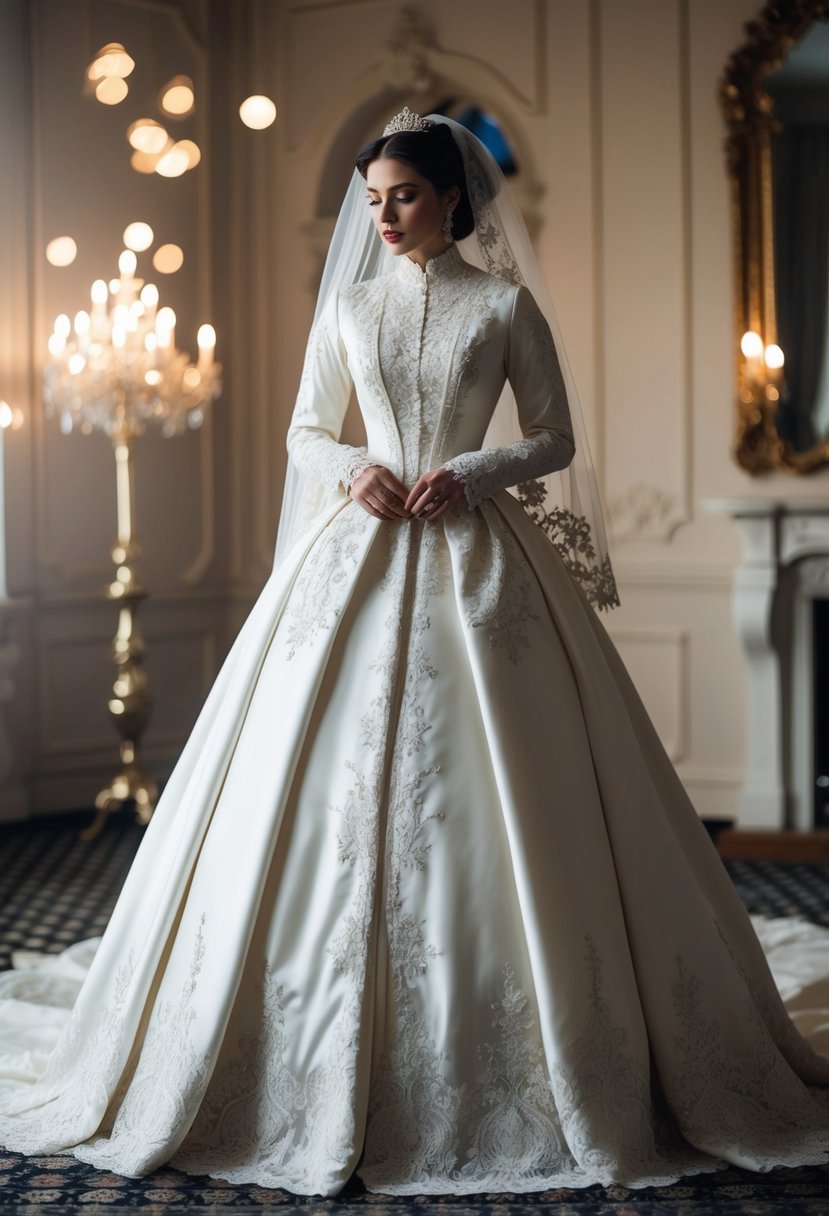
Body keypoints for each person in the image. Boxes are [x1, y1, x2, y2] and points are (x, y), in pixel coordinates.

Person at [1, 107, 829, 1199]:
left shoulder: (503, 305)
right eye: (372, 198)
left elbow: (556, 437)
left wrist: (476, 472)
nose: (384, 215)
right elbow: (303, 428)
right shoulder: (345, 307)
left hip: (477, 558)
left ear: (450, 199)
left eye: (402, 195)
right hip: (359, 547)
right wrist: (353, 467)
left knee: (515, 788)